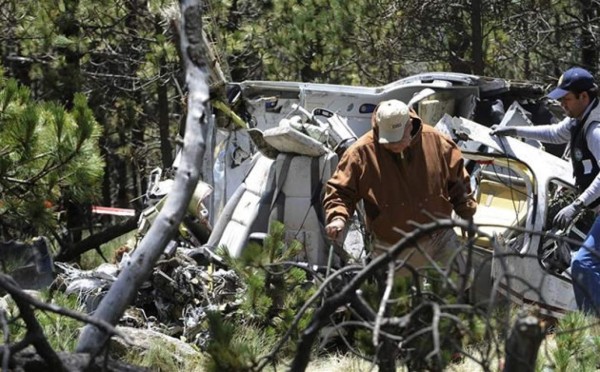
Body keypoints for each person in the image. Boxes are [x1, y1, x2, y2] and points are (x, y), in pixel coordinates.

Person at [323, 98, 478, 275]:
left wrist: (467, 213)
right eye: (388, 141)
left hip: (439, 237)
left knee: (458, 287)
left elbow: (459, 182)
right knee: (401, 300)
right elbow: (340, 191)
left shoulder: (436, 142)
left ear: (409, 125)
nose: (394, 145)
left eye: (398, 139)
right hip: (393, 244)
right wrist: (337, 217)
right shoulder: (361, 153)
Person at [491, 66, 600, 314]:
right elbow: (554, 133)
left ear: (585, 97)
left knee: (583, 263)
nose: (563, 104)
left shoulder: (595, 130)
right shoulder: (578, 120)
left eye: (567, 99)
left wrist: (578, 204)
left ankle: (593, 327)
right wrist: (514, 131)